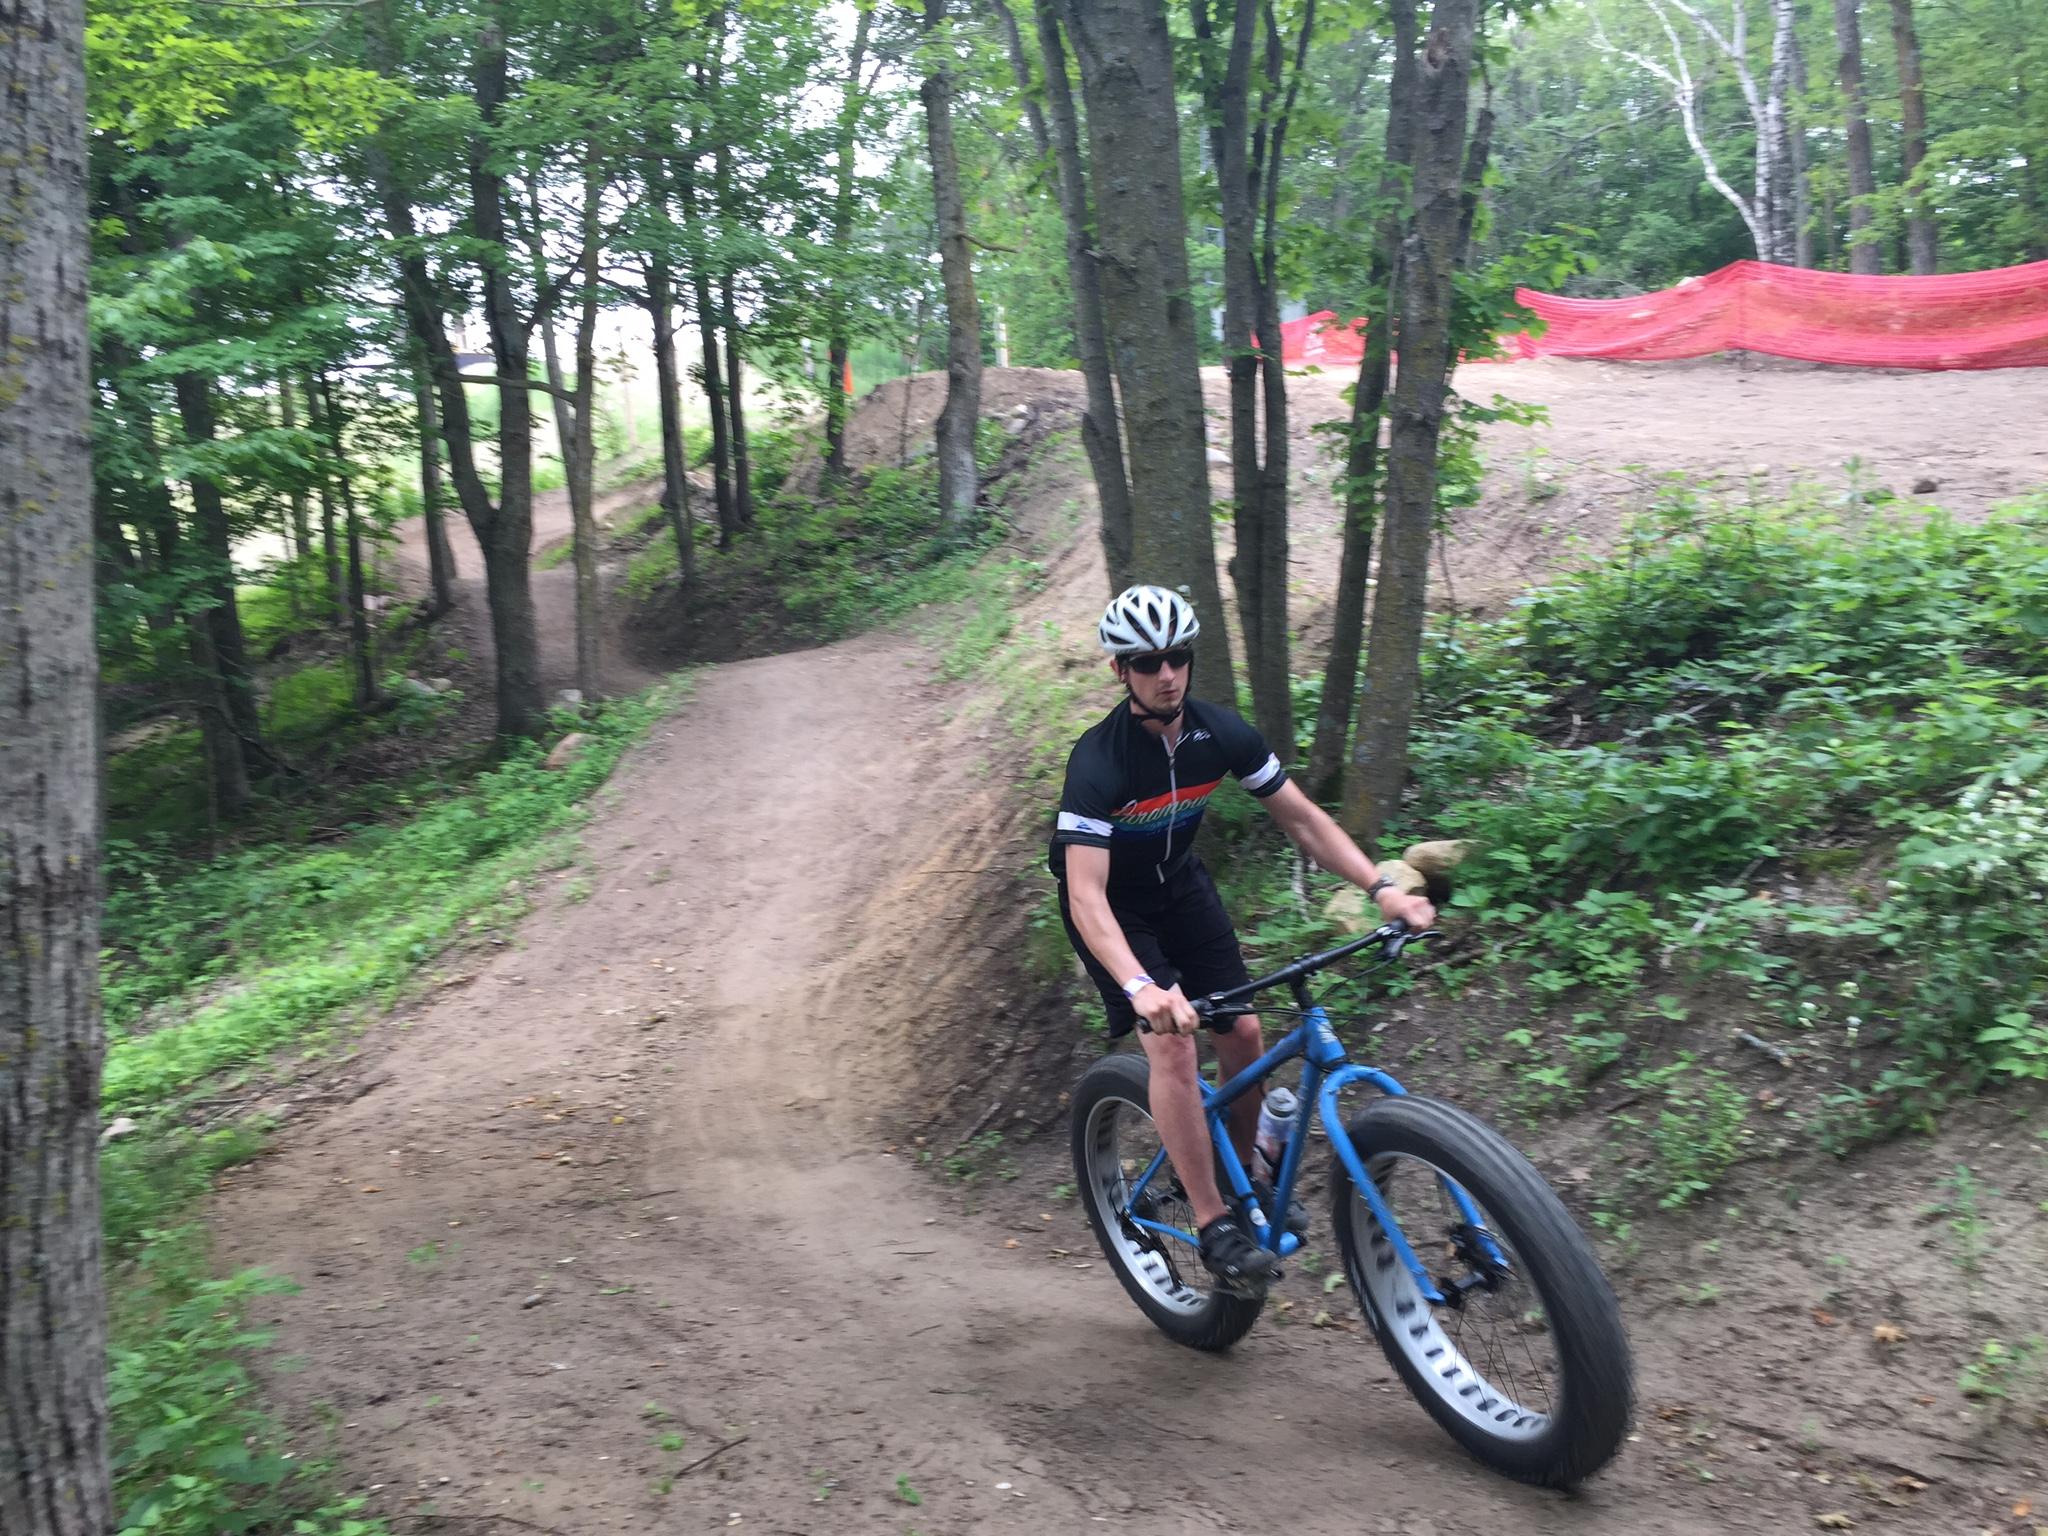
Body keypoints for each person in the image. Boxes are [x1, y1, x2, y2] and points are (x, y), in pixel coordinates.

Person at [1051, 584, 1436, 1291]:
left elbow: (1303, 819)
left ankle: (1240, 1181)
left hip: (1181, 888)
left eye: (1178, 657)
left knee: (1246, 1033)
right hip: (1115, 909)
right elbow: (1084, 894)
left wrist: (1382, 888)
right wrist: (1140, 987)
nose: (1167, 674)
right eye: (1147, 663)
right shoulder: (1099, 762)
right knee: (1172, 1043)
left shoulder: (1217, 733)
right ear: (1120, 670)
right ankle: (1212, 1224)